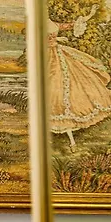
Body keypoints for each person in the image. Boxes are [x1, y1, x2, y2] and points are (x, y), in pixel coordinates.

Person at [48, 4, 111, 150]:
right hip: (48, 57)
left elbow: (72, 25)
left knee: (70, 86)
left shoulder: (53, 23)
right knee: (54, 90)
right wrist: (54, 41)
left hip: (57, 53)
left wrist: (91, 14)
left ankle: (71, 139)